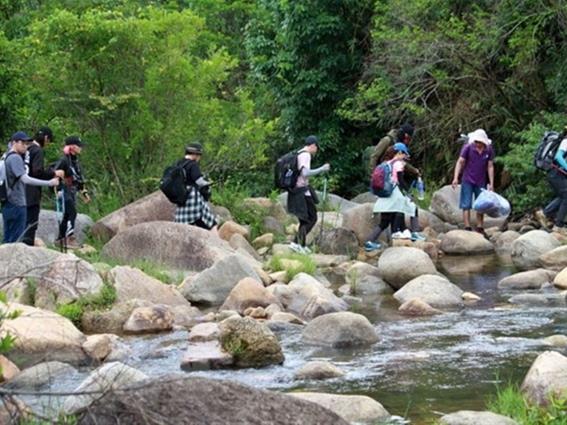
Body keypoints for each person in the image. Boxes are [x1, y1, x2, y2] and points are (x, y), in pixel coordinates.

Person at [2, 131, 59, 244]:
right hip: (17, 203)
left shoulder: (6, 156)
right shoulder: (15, 158)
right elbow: (25, 179)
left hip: (7, 202)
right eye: (22, 143)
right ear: (14, 142)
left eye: (26, 143)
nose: (25, 146)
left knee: (8, 239)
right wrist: (49, 182)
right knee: (16, 240)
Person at [364, 143, 418, 251]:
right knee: (412, 208)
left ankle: (370, 241)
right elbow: (400, 180)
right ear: (399, 153)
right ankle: (414, 233)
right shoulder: (398, 163)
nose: (404, 157)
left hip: (385, 194)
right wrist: (408, 192)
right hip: (393, 194)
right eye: (404, 154)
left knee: (385, 222)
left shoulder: (386, 163)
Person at [287, 135, 330, 254]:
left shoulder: (299, 153)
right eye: (317, 147)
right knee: (312, 218)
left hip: (297, 190)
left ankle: (301, 244)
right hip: (302, 191)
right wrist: (321, 169)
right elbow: (305, 173)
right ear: (313, 145)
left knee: (305, 219)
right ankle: (296, 243)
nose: (317, 150)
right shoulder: (305, 155)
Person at [22, 127, 65, 246]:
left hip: (20, 191)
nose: (47, 144)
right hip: (32, 192)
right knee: (31, 224)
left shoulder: (27, 148)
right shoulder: (38, 150)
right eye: (48, 141)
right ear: (46, 138)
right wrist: (54, 173)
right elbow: (37, 172)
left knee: (23, 223)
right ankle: (27, 248)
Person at [451, 128, 495, 234]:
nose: (477, 144)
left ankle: (480, 226)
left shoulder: (488, 150)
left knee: (481, 204)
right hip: (468, 179)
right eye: (476, 142)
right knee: (466, 204)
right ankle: (467, 226)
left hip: (481, 181)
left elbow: (490, 166)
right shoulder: (468, 148)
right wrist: (456, 178)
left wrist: (491, 184)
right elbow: (460, 162)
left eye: (479, 142)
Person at [174, 143, 218, 232]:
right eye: (199, 155)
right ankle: (218, 243)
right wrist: (208, 183)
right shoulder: (193, 165)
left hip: (181, 199)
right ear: (195, 154)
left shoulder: (178, 163)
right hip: (192, 198)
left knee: (184, 226)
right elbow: (199, 182)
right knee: (211, 224)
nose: (199, 158)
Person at [54, 136, 89, 248]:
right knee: (71, 212)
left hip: (72, 190)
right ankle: (69, 237)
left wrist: (84, 193)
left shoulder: (75, 161)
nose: (81, 148)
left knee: (67, 215)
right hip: (64, 190)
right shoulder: (64, 160)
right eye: (79, 146)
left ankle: (60, 239)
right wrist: (58, 190)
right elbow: (55, 174)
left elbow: (79, 178)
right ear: (73, 147)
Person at [539, 135, 567, 234]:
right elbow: (558, 157)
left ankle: (544, 213)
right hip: (555, 172)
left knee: (563, 196)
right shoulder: (566, 141)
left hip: (557, 173)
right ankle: (558, 226)